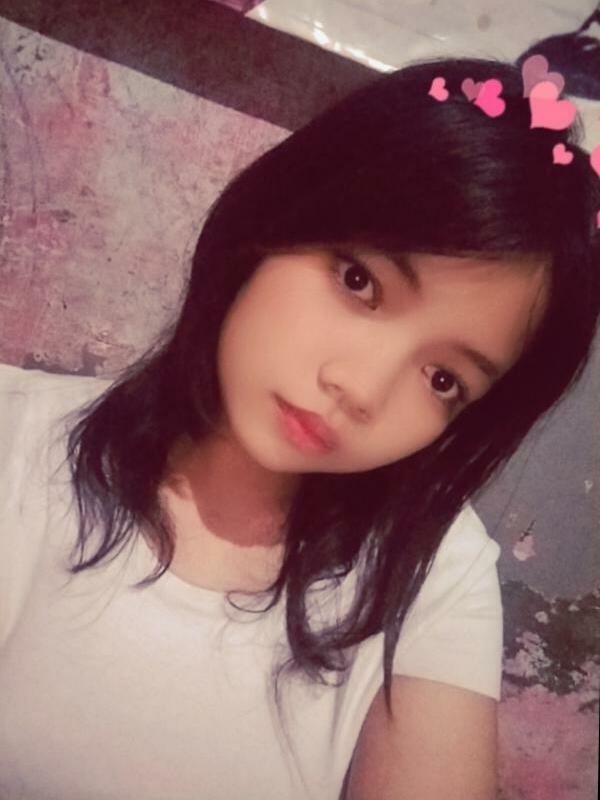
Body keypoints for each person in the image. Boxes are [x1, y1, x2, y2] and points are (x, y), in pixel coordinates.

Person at [0, 56, 598, 800]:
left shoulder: (434, 570)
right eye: (359, 281)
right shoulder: (17, 438)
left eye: (443, 379)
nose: (359, 389)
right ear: (280, 219)